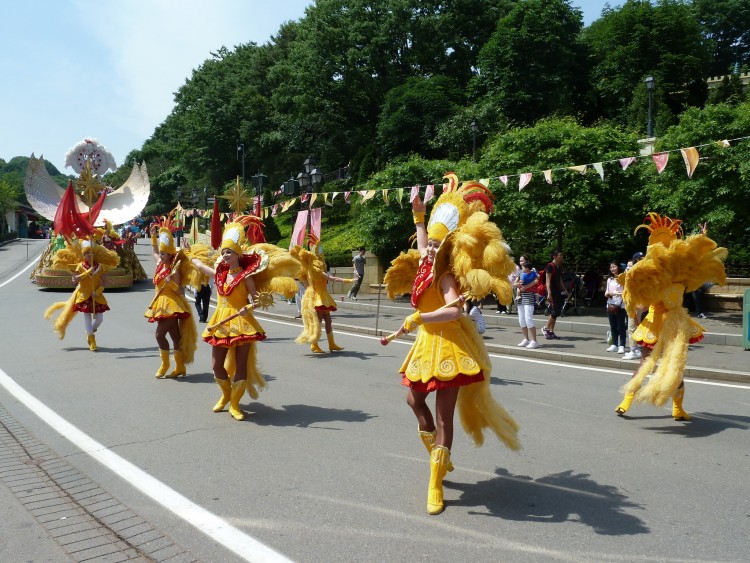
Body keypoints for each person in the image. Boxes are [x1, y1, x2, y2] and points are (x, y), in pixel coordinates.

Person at [383, 173, 520, 516]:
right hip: (426, 344)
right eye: (428, 242)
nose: (428, 247)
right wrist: (418, 215)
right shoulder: (425, 266)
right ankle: (437, 457)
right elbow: (420, 241)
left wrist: (418, 319)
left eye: (434, 245)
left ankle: (435, 479)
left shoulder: (445, 277)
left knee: (445, 418)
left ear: (445, 250)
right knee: (414, 400)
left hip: (448, 345)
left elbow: (454, 308)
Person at [614, 213, 727, 420]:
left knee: (676, 367)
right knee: (645, 364)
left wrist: (703, 238)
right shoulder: (651, 276)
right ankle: (627, 400)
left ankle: (678, 409)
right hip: (654, 324)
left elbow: (697, 257)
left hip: (677, 324)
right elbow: (639, 301)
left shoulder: (682, 275)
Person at [186, 220, 268, 421]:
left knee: (241, 365)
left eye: (229, 252)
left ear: (238, 254)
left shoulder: (246, 277)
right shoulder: (220, 276)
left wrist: (248, 307)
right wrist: (189, 255)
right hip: (220, 322)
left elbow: (257, 300)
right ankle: (225, 395)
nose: (225, 255)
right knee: (216, 365)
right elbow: (201, 267)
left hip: (242, 322)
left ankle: (235, 404)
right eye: (223, 252)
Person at [44, 237, 120, 350]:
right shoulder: (80, 266)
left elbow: (104, 282)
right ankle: (91, 338)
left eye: (91, 253)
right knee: (87, 317)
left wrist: (98, 291)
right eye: (87, 253)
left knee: (100, 319)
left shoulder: (101, 267)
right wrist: (85, 274)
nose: (89, 255)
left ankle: (91, 330)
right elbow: (74, 281)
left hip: (97, 295)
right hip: (84, 295)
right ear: (84, 255)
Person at [144, 223, 198, 378]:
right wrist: (153, 236)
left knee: (159, 335)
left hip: (172, 304)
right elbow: (154, 251)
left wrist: (171, 281)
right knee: (176, 337)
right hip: (159, 303)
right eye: (160, 253)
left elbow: (179, 290)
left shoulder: (174, 269)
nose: (160, 256)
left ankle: (165, 364)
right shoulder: (159, 264)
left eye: (163, 254)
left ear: (169, 255)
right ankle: (180, 367)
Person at [291, 235, 351, 353]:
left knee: (328, 321)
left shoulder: (314, 269)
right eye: (321, 262)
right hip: (317, 298)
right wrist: (347, 280)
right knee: (317, 321)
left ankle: (331, 343)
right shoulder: (315, 270)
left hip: (323, 296)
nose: (323, 264)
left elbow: (305, 281)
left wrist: (308, 286)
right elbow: (330, 278)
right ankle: (314, 344)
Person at [622, 252, 646, 360]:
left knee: (632, 326)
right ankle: (638, 347)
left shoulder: (636, 271)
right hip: (638, 301)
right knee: (637, 324)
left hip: (634, 301)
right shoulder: (644, 270)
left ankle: (633, 349)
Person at [514, 259, 540, 349]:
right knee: (521, 320)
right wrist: (517, 285)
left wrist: (524, 287)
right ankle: (526, 339)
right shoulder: (520, 272)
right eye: (520, 261)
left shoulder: (533, 272)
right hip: (521, 297)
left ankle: (534, 341)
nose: (521, 263)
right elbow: (515, 283)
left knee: (529, 319)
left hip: (529, 297)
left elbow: (536, 281)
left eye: (523, 261)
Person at [542, 250, 566, 339]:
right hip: (551, 291)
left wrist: (564, 290)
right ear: (554, 256)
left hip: (557, 291)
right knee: (556, 310)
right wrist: (549, 293)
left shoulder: (558, 266)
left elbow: (559, 279)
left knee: (556, 311)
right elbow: (547, 280)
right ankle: (546, 328)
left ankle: (551, 332)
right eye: (560, 255)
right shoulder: (549, 266)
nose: (562, 257)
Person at [604, 261, 627, 354]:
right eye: (611, 267)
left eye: (614, 267)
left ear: (618, 267)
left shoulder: (623, 278)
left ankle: (622, 345)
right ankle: (614, 344)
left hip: (620, 305)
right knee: (613, 326)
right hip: (610, 305)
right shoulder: (610, 279)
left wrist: (618, 294)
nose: (612, 269)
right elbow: (606, 292)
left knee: (621, 326)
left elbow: (626, 291)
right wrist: (609, 294)